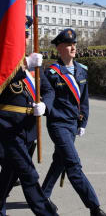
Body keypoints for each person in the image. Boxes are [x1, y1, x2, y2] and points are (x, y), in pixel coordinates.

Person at [41, 29, 106, 216]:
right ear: (59, 48)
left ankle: (42, 195)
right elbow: (47, 95)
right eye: (69, 45)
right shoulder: (52, 73)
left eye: (74, 44)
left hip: (72, 125)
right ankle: (94, 207)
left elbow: (84, 100)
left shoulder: (82, 70)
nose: (73, 48)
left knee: (60, 161)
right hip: (57, 124)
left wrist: (83, 123)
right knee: (73, 164)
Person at [0, 16, 58, 215]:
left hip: (29, 131)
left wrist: (44, 105)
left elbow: (49, 91)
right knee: (29, 175)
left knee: (9, 175)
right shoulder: (4, 63)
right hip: (8, 130)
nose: (24, 39)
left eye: (26, 35)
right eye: (19, 35)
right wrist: (24, 65)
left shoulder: (35, 62)